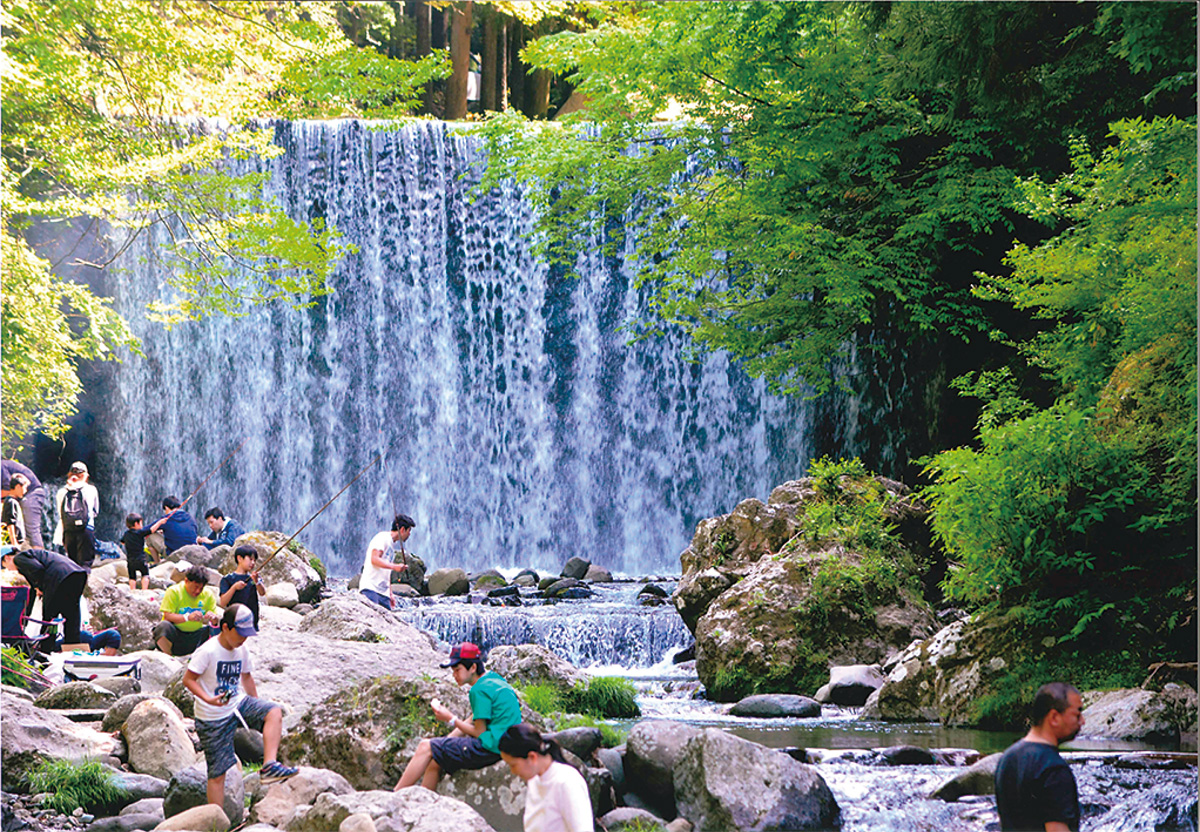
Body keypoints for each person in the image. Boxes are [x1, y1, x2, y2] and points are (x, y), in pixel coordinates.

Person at [183, 604, 298, 808]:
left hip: (237, 704)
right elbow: (188, 680)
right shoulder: (208, 651)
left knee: (273, 711)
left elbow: (246, 676)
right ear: (225, 627)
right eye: (240, 633)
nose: (243, 639)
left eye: (247, 634)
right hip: (212, 717)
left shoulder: (241, 649)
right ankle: (215, 820)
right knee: (218, 773)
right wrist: (208, 699)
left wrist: (256, 705)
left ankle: (269, 766)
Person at [393, 641, 522, 790]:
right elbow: (474, 718)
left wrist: (450, 718)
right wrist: (445, 742)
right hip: (507, 744)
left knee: (425, 746)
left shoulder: (478, 690)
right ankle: (425, 804)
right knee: (436, 760)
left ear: (473, 667)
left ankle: (393, 797)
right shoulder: (493, 679)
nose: (454, 675)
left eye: (457, 670)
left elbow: (479, 732)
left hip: (491, 749)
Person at [994, 681, 1085, 832]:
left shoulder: (1007, 758)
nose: (1082, 721)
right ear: (1054, 717)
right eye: (1077, 714)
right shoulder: (1054, 768)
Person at [499, 723, 594, 832]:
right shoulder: (535, 780)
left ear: (532, 757)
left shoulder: (567, 782)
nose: (513, 771)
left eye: (513, 765)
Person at [1, 545, 89, 650]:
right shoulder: (32, 556)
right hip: (77, 574)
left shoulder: (19, 559)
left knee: (49, 618)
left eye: (5, 566)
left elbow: (38, 570)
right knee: (71, 615)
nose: (9, 570)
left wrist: (40, 586)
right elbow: (33, 590)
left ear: (7, 558)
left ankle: (46, 651)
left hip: (59, 576)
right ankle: (73, 649)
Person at [154, 565, 220, 656]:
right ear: (186, 581)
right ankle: (168, 655)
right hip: (176, 635)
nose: (197, 591)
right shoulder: (174, 591)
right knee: (163, 627)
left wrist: (213, 619)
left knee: (218, 629)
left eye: (201, 588)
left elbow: (215, 622)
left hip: (195, 636)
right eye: (195, 587)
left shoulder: (208, 594)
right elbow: (168, 616)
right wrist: (187, 617)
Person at [359, 513, 413, 610]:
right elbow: (374, 559)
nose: (409, 534)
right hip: (371, 589)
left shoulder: (391, 545)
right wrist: (394, 566)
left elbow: (386, 572)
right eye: (409, 531)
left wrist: (390, 593)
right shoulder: (382, 538)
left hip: (384, 594)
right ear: (402, 530)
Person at [55, 462, 99, 568]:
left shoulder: (61, 492)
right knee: (85, 562)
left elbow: (60, 512)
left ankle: (73, 584)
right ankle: (84, 583)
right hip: (86, 529)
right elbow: (95, 511)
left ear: (69, 474)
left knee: (72, 562)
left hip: (68, 530)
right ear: (85, 475)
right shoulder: (91, 489)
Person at [2, 459, 47, 549]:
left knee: (31, 530)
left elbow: (10, 490)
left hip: (32, 493)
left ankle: (39, 556)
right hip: (21, 496)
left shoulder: (1, 467)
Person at [218, 545, 265, 630]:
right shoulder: (227, 579)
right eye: (250, 559)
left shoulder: (254, 578)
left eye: (254, 560)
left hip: (251, 621)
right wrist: (234, 587)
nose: (253, 563)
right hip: (234, 621)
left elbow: (262, 593)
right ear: (239, 558)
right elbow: (223, 602)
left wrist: (257, 581)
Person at [121, 513, 153, 591]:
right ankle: (144, 590)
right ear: (136, 524)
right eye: (141, 523)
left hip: (130, 560)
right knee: (145, 575)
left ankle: (133, 590)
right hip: (141, 559)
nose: (142, 525)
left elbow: (122, 542)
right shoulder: (140, 532)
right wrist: (160, 522)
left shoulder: (126, 534)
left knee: (132, 577)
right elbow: (151, 530)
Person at [2, 473, 29, 548]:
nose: (25, 491)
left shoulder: (13, 501)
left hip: (19, 542)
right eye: (25, 487)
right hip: (14, 543)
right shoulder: (11, 502)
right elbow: (10, 523)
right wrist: (14, 544)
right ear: (18, 487)